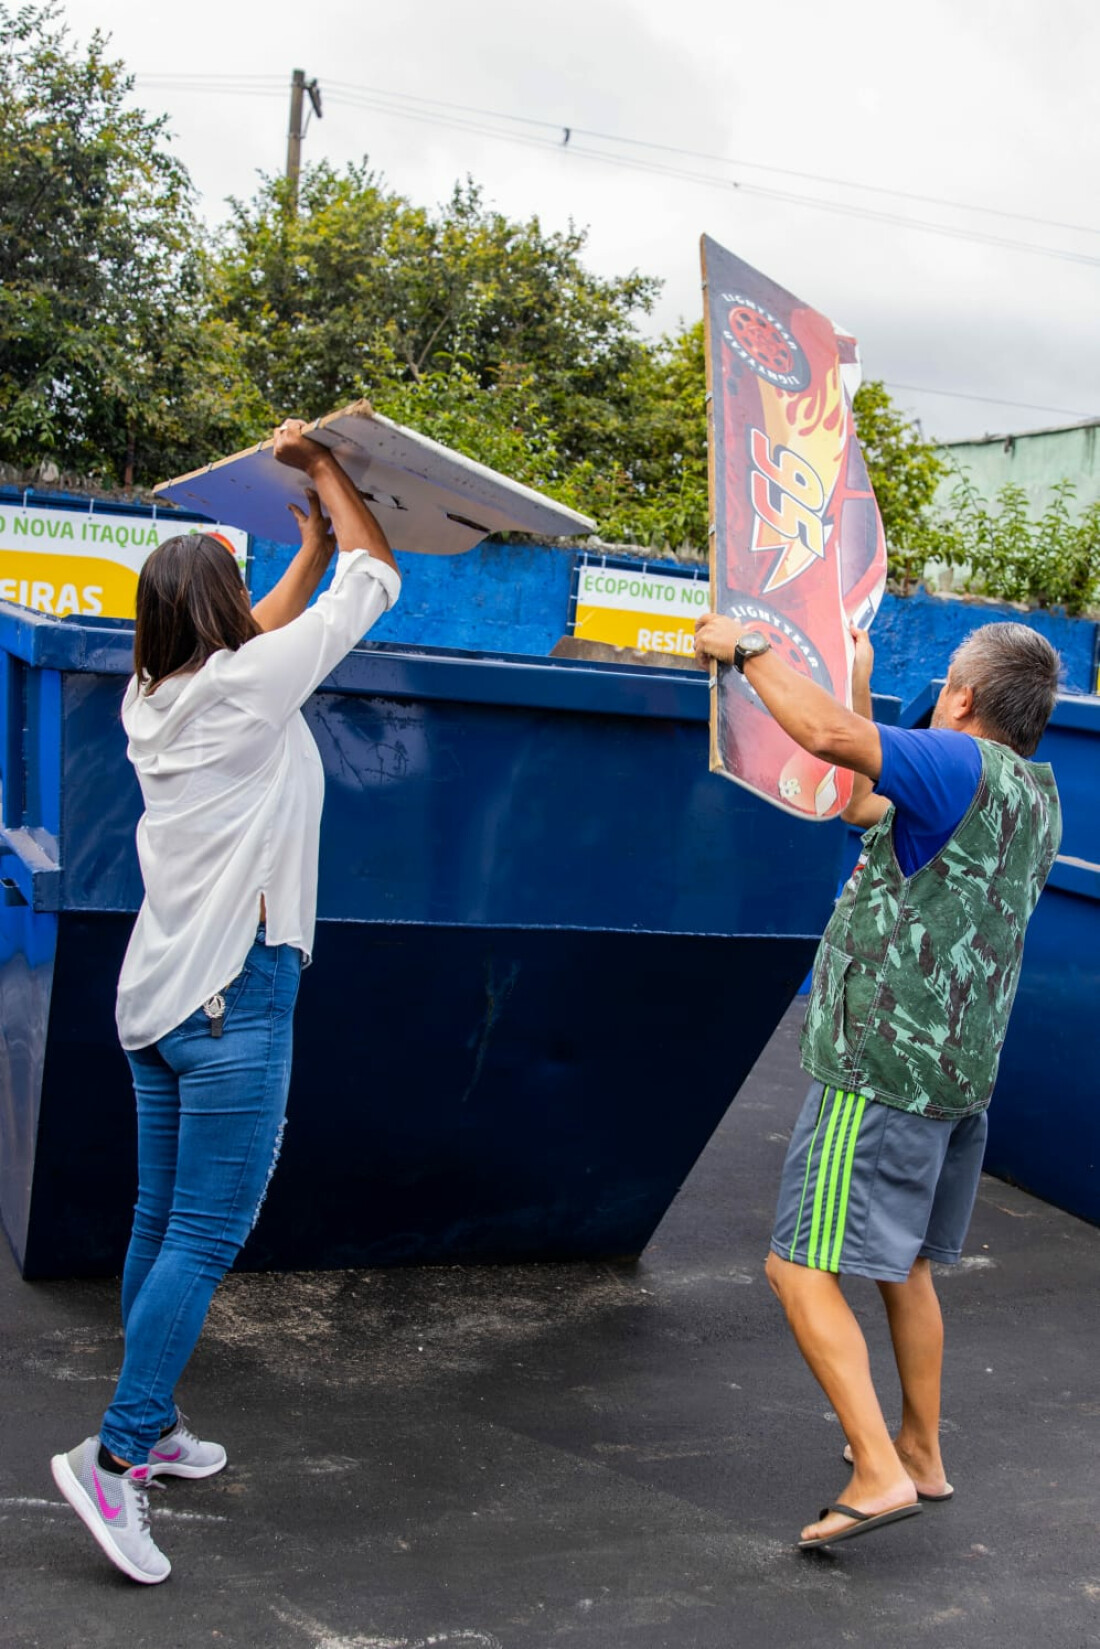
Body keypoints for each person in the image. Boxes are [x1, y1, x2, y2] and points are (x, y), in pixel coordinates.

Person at [50, 420, 401, 1584]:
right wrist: (329, 478)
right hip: (231, 997)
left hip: (156, 1000)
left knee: (160, 1224)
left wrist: (293, 551)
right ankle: (112, 1459)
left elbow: (265, 633)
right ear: (219, 612)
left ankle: (149, 1423)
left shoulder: (153, 696)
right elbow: (378, 575)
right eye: (241, 589)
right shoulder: (248, 687)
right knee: (203, 1235)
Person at [693, 612, 1061, 1551]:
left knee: (795, 1265)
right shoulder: (1030, 793)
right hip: (956, 1072)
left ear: (965, 697)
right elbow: (862, 803)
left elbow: (823, 739)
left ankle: (875, 1466)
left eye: (945, 679)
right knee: (907, 1267)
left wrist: (747, 649)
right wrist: (857, 681)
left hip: (880, 1067)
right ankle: (923, 1453)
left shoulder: (954, 764)